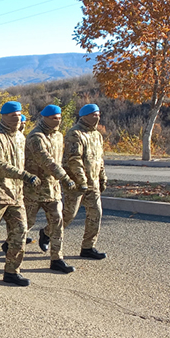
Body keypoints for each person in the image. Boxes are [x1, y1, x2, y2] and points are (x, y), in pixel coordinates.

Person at [0, 101, 41, 287]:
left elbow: (25, 163)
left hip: (16, 194)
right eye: (12, 114)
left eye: (19, 114)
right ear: (3, 116)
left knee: (20, 232)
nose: (17, 117)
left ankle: (12, 271)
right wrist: (25, 176)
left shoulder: (21, 137)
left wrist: (27, 181)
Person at [24, 105, 77, 273]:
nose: (58, 120)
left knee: (57, 223)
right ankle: (12, 248)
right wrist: (65, 178)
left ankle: (57, 259)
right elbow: (47, 161)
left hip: (52, 189)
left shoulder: (59, 136)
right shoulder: (36, 137)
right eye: (54, 117)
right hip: (34, 189)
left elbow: (60, 160)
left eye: (59, 117)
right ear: (45, 118)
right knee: (26, 223)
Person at [62, 104, 108, 260]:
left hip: (93, 183)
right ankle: (47, 233)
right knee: (69, 214)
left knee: (96, 213)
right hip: (77, 184)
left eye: (98, 114)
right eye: (94, 114)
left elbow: (99, 159)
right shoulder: (75, 134)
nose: (97, 117)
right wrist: (81, 180)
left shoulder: (97, 135)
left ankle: (88, 247)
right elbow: (74, 159)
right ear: (84, 116)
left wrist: (102, 177)